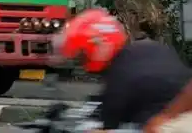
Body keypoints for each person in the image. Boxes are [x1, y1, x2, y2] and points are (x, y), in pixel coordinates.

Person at [53, 8, 192, 132]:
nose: (82, 62)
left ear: (95, 47)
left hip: (170, 125)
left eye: (82, 55)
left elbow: (109, 121)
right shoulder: (149, 49)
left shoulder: (119, 78)